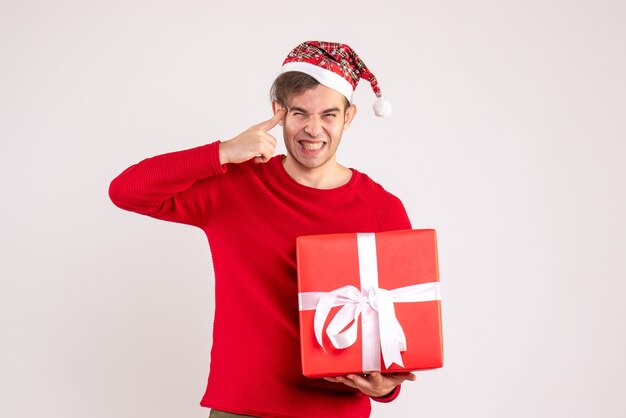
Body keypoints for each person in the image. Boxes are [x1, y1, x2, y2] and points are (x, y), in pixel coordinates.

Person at [109, 41, 416, 418]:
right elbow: (126, 191)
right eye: (300, 113)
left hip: (335, 412)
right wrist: (221, 152)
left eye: (329, 115)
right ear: (278, 112)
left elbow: (399, 334)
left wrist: (386, 389)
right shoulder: (236, 187)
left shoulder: (381, 210)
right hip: (241, 407)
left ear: (349, 116)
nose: (314, 129)